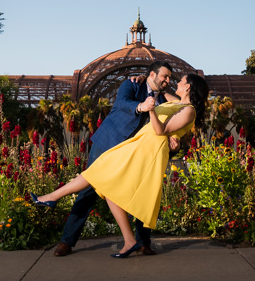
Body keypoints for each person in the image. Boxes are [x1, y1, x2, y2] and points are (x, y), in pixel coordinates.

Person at [33, 73, 209, 258]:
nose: (174, 81)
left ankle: (52, 197)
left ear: (188, 86)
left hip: (145, 150)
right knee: (105, 184)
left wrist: (152, 112)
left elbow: (161, 130)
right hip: (124, 142)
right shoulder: (150, 91)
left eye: (180, 80)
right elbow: (147, 99)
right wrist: (143, 78)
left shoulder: (188, 110)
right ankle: (127, 241)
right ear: (153, 75)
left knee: (102, 175)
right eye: (165, 76)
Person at [50, 61, 173, 257]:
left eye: (169, 78)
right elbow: (122, 103)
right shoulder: (132, 84)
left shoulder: (163, 99)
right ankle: (67, 241)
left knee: (139, 193)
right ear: (152, 74)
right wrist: (142, 106)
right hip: (108, 143)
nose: (167, 80)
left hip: (133, 152)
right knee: (87, 191)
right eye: (164, 76)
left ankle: (143, 243)